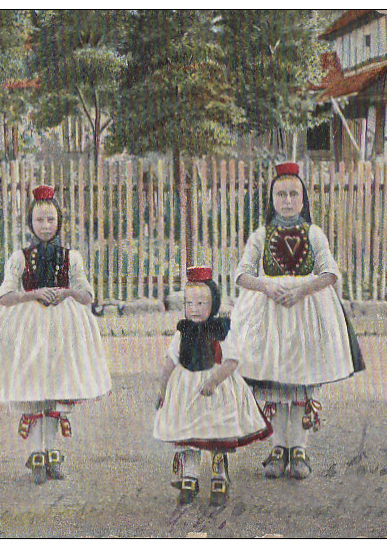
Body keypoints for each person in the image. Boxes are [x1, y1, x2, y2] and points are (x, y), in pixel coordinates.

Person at [229, 162, 365, 480]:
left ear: (303, 200)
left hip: (305, 314)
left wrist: (303, 289)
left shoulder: (313, 234)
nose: (287, 201)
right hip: (270, 315)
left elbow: (330, 272)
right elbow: (241, 274)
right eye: (281, 195)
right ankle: (278, 448)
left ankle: (299, 450)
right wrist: (265, 285)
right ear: (272, 199)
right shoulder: (261, 236)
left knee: (302, 380)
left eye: (293, 194)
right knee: (275, 384)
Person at [0, 184, 112, 484]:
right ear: (30, 223)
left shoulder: (71, 257)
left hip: (63, 330)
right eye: (39, 220)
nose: (45, 226)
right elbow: (5, 296)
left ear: (59, 221)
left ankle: (52, 455)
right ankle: (36, 454)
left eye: (50, 220)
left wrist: (67, 291)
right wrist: (30, 295)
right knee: (34, 391)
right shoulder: (20, 258)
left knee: (54, 393)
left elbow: (87, 294)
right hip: (30, 330)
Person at [153, 266, 272, 506]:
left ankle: (219, 474)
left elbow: (231, 361)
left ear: (213, 304)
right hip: (187, 387)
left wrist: (214, 380)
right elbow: (170, 361)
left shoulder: (220, 330)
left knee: (218, 431)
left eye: (201, 304)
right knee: (188, 432)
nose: (194, 310)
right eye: (189, 304)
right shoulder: (182, 331)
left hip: (215, 388)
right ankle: (189, 476)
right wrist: (163, 387)